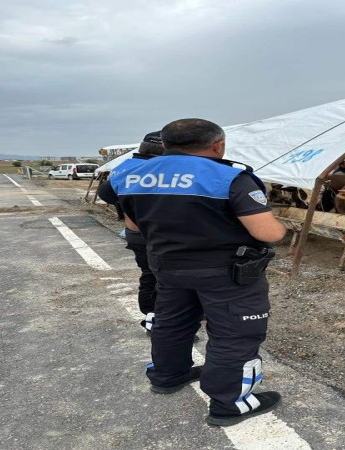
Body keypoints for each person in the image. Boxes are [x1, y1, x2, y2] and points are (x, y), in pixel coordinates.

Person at [102, 118, 287, 427]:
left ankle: (167, 375)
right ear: (218, 145)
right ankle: (231, 403)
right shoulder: (229, 177)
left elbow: (131, 222)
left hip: (165, 265)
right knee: (234, 334)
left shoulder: (127, 174)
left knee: (172, 322)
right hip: (226, 273)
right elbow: (269, 233)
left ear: (167, 144)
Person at [99, 131, 164, 332]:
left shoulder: (123, 167)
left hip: (135, 233)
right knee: (162, 277)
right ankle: (155, 318)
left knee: (148, 274)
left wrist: (128, 207)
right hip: (158, 234)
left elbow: (105, 194)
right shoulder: (157, 168)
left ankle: (151, 314)